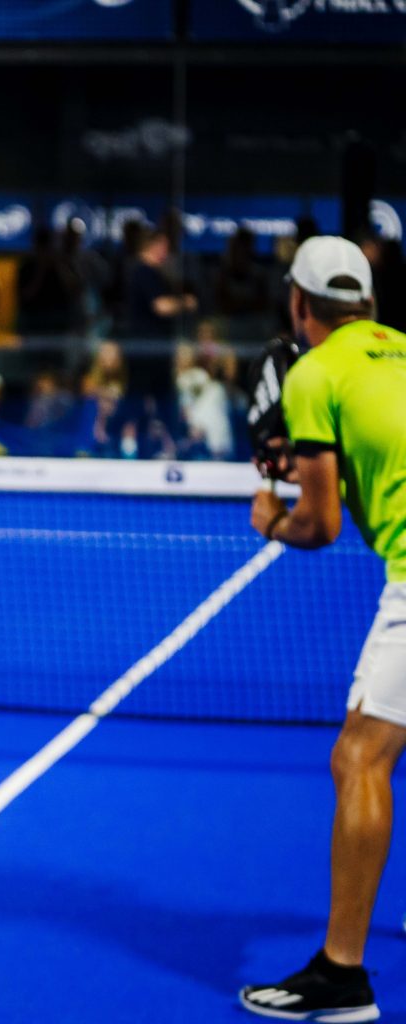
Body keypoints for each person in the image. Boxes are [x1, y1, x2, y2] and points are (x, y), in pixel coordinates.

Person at [240, 236, 406, 1023]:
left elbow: (322, 523)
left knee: (359, 757)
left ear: (299, 304)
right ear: (367, 304)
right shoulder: (401, 350)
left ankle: (341, 977)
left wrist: (273, 520)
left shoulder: (312, 373)